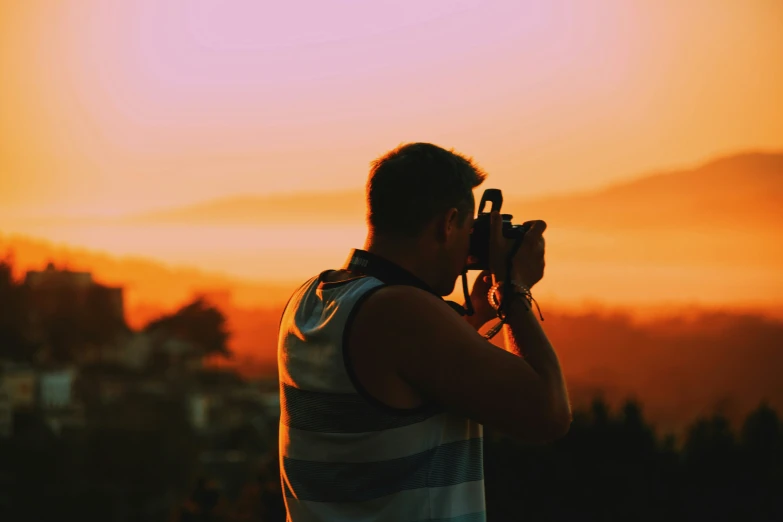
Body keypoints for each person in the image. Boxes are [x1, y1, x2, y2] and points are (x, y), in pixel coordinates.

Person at [277, 142, 572, 521]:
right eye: (469, 228)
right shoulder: (399, 312)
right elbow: (548, 414)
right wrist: (513, 291)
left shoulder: (311, 300)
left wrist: (471, 323)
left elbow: (399, 380)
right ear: (447, 224)